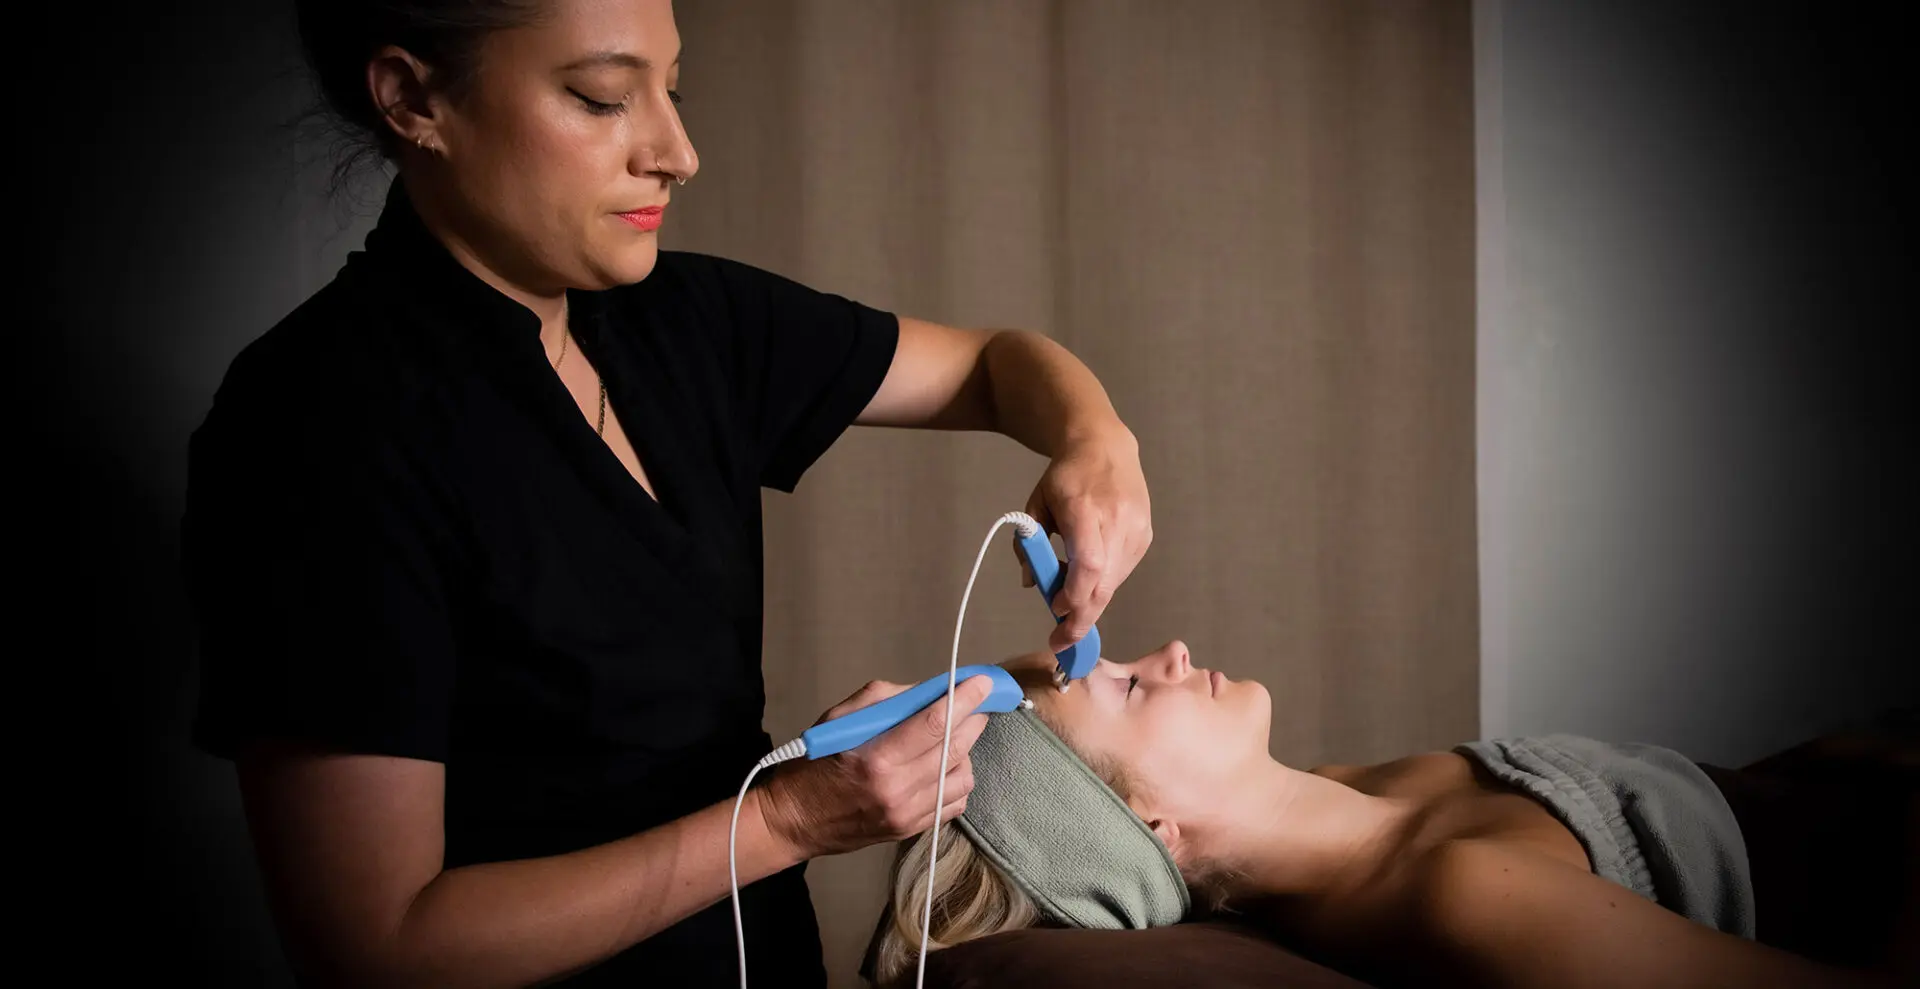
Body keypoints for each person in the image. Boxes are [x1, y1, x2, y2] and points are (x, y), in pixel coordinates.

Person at [180, 1, 1153, 986]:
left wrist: (1094, 437)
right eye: (603, 97)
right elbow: (377, 947)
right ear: (411, 98)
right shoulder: (319, 421)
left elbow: (992, 366)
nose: (677, 151)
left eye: (671, 88)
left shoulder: (684, 322)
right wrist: (788, 818)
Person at [867, 644, 1919, 988]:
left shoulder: (1343, 791)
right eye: (1133, 687)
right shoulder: (1452, 891)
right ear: (1145, 827)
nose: (1173, 654)